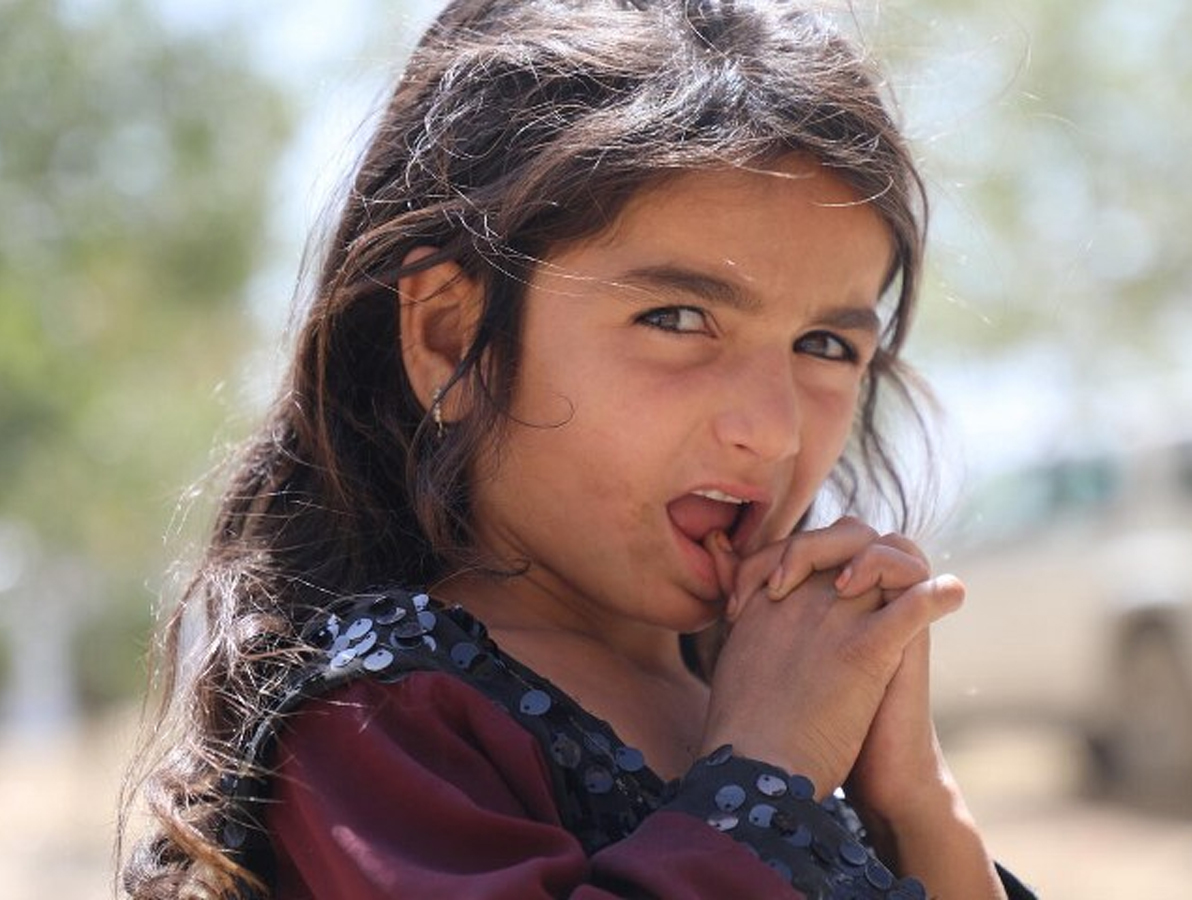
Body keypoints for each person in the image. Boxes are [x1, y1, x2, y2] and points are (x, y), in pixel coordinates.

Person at [119, 1, 1038, 898]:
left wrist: (914, 805)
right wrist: (768, 774)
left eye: (825, 346)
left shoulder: (765, 693)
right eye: (677, 319)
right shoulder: (387, 717)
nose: (774, 429)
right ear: (451, 337)